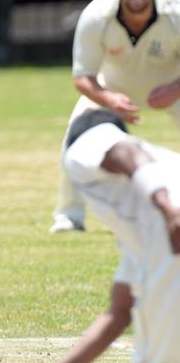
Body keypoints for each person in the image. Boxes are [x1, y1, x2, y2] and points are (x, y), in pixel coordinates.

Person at [50, 0, 180, 233]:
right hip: (111, 90)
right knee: (75, 133)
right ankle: (70, 215)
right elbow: (83, 77)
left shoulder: (176, 12)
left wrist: (175, 89)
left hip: (171, 87)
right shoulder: (97, 15)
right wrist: (109, 99)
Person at [60, 108, 180, 362]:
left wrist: (169, 210)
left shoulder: (84, 145)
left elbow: (126, 153)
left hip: (170, 217)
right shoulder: (138, 235)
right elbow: (118, 313)